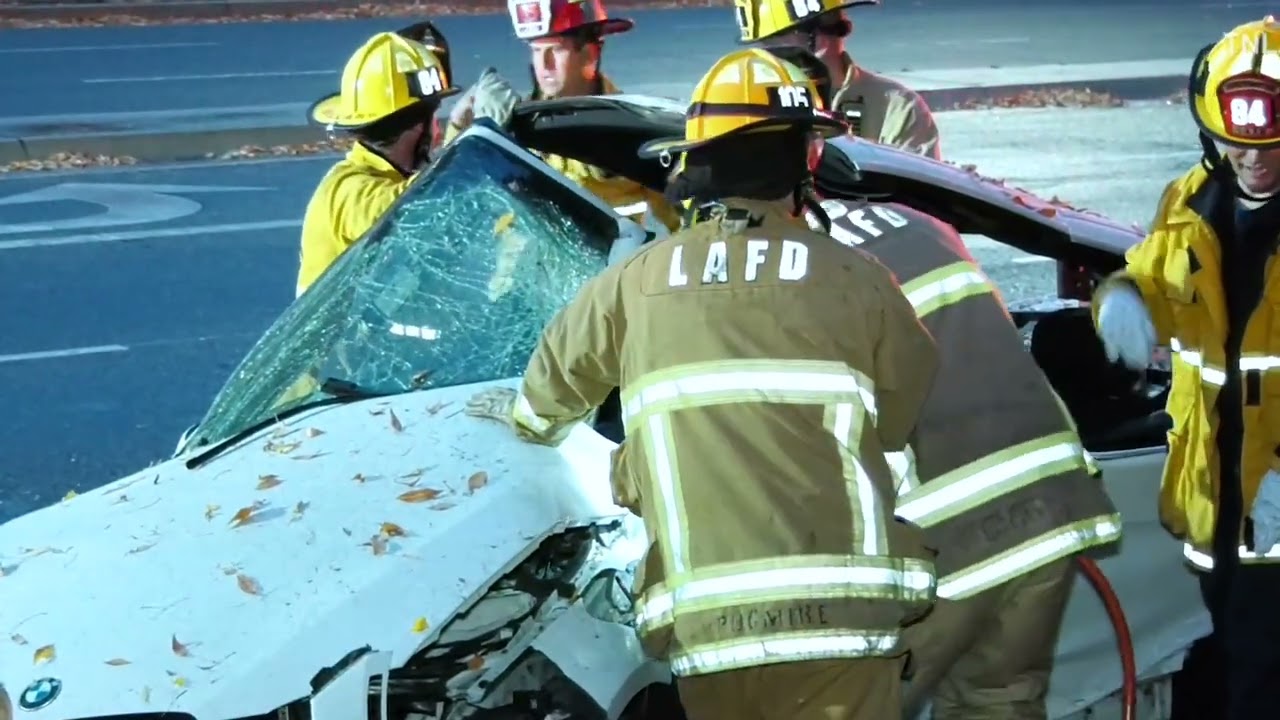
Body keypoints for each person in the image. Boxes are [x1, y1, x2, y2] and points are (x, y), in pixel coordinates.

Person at [465, 47, 941, 720]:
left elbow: (541, 407)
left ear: (696, 163)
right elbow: (900, 417)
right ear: (805, 160)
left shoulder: (631, 283)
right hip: (843, 623)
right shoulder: (858, 279)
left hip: (710, 635)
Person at [763, 43, 1122, 718]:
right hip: (1049, 513)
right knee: (999, 701)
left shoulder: (794, 267)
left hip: (940, 545)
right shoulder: (921, 223)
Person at [1092, 16, 1280, 720]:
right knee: (1231, 655)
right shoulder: (1188, 202)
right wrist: (1120, 302)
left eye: (1272, 145)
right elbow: (1144, 278)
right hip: (1214, 497)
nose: (1255, 160)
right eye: (1239, 141)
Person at [445, 0, 681, 233]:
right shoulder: (512, 122)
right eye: (536, 51)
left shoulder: (633, 132)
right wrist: (464, 128)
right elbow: (452, 197)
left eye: (555, 50)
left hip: (603, 266)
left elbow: (680, 218)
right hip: (516, 269)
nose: (543, 64)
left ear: (589, 55)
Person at [296, 29, 466, 297]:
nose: (438, 130)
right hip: (341, 339)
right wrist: (469, 143)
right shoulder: (345, 190)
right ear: (415, 128)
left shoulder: (389, 178)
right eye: (434, 118)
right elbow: (415, 209)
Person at [732, 0, 941, 159]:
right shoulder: (742, 106)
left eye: (775, 42)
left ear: (818, 40)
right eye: (765, 44)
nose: (767, 55)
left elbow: (923, 200)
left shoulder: (896, 109)